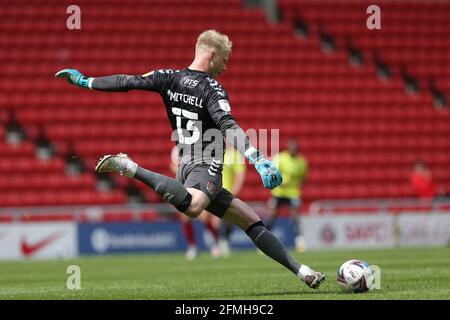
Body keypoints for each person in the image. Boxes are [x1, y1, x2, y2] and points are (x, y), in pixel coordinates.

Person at [55, 29, 325, 289]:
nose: (226, 67)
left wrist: (86, 81)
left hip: (185, 167)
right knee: (194, 207)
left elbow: (128, 81)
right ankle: (130, 167)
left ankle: (302, 272)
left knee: (251, 221)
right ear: (211, 55)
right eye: (224, 60)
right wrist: (257, 158)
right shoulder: (212, 89)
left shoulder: (168, 77)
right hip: (205, 165)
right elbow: (228, 125)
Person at [169, 145, 221, 260]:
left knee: (204, 217)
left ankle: (215, 244)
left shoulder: (198, 145)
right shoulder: (177, 149)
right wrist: (184, 172)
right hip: (184, 186)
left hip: (198, 184)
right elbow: (172, 165)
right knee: (184, 217)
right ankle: (192, 246)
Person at [267, 139, 308, 253]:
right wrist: (280, 181)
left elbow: (303, 177)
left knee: (295, 217)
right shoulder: (280, 158)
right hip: (279, 192)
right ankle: (264, 241)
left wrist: (297, 184)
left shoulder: (302, 162)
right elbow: (272, 172)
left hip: (293, 193)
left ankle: (300, 242)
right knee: (272, 216)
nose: (293, 151)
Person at [217, 144, 247, 256]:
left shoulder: (235, 155)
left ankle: (223, 242)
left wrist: (234, 191)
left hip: (227, 192)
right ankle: (220, 243)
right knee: (218, 219)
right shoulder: (214, 151)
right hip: (212, 191)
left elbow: (240, 175)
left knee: (228, 219)